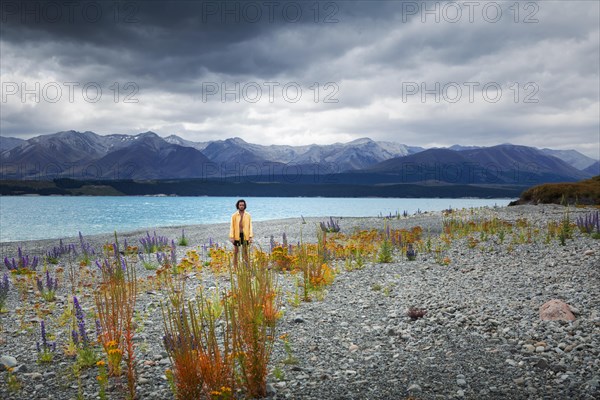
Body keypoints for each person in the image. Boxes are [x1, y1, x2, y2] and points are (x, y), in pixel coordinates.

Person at [229, 199, 253, 267]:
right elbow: (232, 226)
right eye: (240, 205)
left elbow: (250, 226)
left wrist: (250, 236)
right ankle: (235, 266)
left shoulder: (248, 215)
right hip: (237, 235)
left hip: (245, 235)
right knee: (236, 252)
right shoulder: (234, 215)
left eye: (243, 205)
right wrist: (231, 236)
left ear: (245, 206)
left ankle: (247, 266)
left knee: (245, 252)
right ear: (238, 206)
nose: (241, 206)